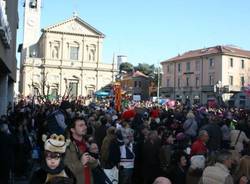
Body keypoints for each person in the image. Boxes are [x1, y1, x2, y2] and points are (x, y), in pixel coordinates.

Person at [64, 117, 98, 184]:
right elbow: (66, 171)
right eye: (81, 125)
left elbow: (95, 165)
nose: (85, 127)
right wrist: (81, 163)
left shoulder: (87, 143)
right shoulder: (66, 147)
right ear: (72, 130)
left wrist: (93, 160)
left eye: (85, 124)